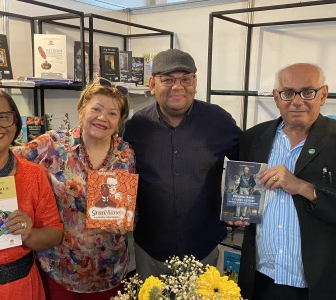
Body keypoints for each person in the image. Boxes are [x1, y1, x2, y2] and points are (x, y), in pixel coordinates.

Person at [123, 48, 241, 280]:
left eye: (185, 79)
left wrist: (240, 206)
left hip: (203, 248)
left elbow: (246, 162)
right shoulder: (136, 126)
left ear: (195, 82)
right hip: (150, 251)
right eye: (167, 79)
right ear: (152, 84)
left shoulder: (219, 121)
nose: (177, 86)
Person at [14, 78, 136, 299]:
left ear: (119, 122)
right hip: (60, 270)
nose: (103, 118)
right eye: (96, 109)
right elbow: (10, 161)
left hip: (110, 270)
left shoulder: (125, 153)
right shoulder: (52, 145)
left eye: (112, 113)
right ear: (81, 111)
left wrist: (126, 220)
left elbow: (127, 204)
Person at [237, 63, 336, 300]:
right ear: (276, 96)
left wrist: (303, 187)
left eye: (308, 92)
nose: (297, 101)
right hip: (260, 277)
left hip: (316, 282)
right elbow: (243, 193)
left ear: (323, 94)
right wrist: (239, 215)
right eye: (288, 92)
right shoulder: (252, 138)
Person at [0, 87, 63, 299]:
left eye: (3, 117)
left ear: (15, 122)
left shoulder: (34, 174)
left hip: (21, 288)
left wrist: (29, 233)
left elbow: (55, 232)